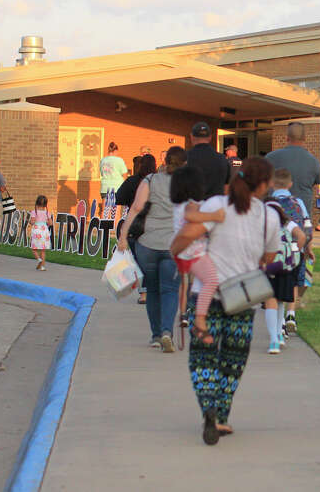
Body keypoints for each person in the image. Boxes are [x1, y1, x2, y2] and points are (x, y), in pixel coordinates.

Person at [170, 157, 281, 445]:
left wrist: (178, 252)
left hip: (206, 294)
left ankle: (208, 404)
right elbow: (269, 258)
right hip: (243, 297)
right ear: (265, 185)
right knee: (233, 359)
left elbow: (187, 235)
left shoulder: (215, 205)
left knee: (202, 356)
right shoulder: (269, 217)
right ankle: (221, 416)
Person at [117, 146, 187, 353]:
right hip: (173, 244)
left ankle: (156, 335)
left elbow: (136, 208)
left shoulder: (150, 181)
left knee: (153, 289)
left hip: (147, 242)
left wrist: (123, 236)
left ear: (165, 162)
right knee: (170, 289)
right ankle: (167, 331)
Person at [169, 165, 226, 346]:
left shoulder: (179, 205)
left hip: (185, 254)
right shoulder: (190, 205)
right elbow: (192, 217)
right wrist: (215, 215)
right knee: (211, 280)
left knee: (190, 285)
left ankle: (186, 313)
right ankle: (200, 322)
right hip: (192, 253)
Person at [270, 168, 314, 335]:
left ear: (273, 184)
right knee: (294, 282)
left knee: (275, 286)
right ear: (290, 184)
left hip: (274, 250)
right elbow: (308, 227)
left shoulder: (269, 202)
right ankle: (291, 315)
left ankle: (280, 323)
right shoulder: (298, 202)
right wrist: (307, 247)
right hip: (296, 249)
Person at [262, 200, 307, 354]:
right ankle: (279, 334)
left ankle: (274, 340)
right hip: (286, 267)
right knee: (280, 301)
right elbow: (302, 237)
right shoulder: (288, 223)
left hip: (269, 266)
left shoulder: (263, 224)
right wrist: (293, 252)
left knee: (270, 302)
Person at [116, 154, 157, 304]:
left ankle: (144, 294)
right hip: (155, 224)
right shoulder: (158, 181)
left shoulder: (133, 181)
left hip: (135, 225)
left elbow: (118, 198)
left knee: (140, 261)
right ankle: (154, 290)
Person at [265, 122, 320, 216]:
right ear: (305, 138)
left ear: (287, 137)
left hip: (276, 216)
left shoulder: (270, 157)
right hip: (302, 216)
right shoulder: (314, 161)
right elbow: (317, 181)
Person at [187, 122, 231, 199]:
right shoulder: (223, 159)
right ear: (210, 137)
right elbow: (226, 189)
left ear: (191, 136)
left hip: (192, 207)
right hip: (216, 208)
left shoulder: (184, 158)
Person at [30, 195, 53, 271]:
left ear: (36, 203)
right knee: (43, 250)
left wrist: (30, 221)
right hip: (44, 231)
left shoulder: (34, 212)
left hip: (37, 231)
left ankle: (39, 259)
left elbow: (32, 222)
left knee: (34, 249)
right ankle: (42, 267)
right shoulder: (47, 213)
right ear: (46, 204)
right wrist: (45, 221)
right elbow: (51, 223)